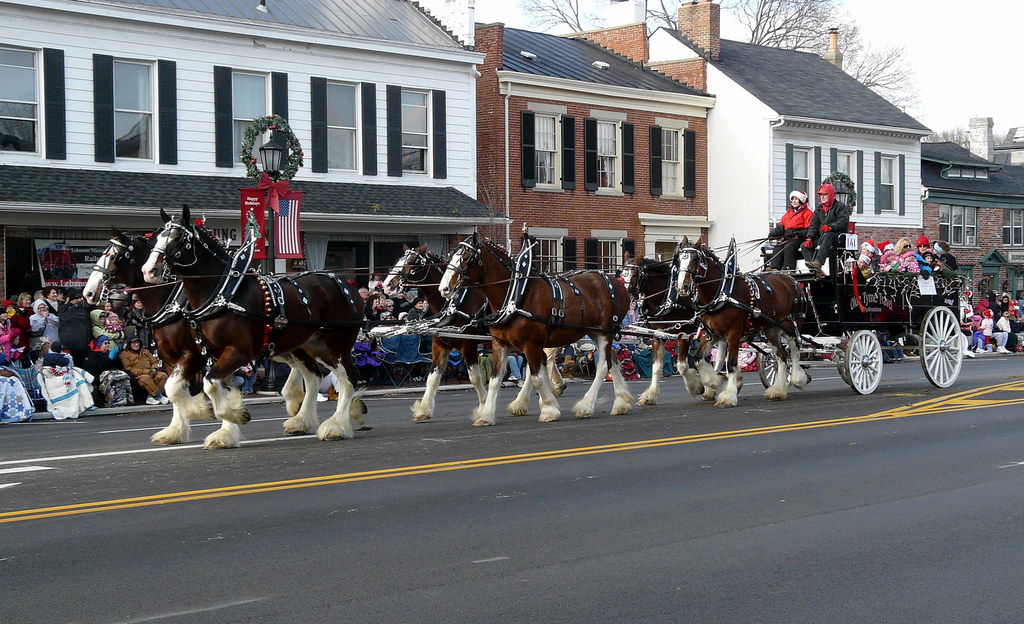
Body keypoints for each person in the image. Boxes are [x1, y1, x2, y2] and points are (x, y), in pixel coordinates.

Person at [37, 342, 96, 419]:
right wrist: (67, 358)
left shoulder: (48, 356)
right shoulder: (57, 357)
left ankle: (85, 402)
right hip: (56, 378)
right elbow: (65, 362)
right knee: (78, 381)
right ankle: (84, 403)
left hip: (51, 376)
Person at [802, 183, 850, 273]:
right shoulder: (818, 209)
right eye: (820, 195)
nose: (822, 197)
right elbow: (813, 225)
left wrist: (831, 227)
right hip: (824, 238)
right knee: (804, 246)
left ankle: (819, 262)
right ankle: (815, 270)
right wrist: (809, 238)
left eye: (825, 194)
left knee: (828, 235)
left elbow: (843, 221)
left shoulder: (840, 207)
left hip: (838, 237)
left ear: (831, 194)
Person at [767, 190, 813, 270]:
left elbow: (809, 229)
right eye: (793, 199)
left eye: (796, 199)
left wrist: (798, 233)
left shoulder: (808, 213)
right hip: (788, 237)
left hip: (798, 238)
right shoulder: (788, 213)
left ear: (801, 200)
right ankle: (774, 268)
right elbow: (781, 226)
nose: (794, 201)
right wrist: (773, 234)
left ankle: (788, 269)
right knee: (778, 247)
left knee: (789, 247)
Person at [120, 336, 169, 405]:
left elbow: (154, 361)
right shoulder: (125, 354)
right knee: (146, 378)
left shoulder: (145, 351)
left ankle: (151, 397)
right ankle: (158, 396)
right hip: (137, 376)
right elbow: (128, 368)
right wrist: (144, 372)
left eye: (137, 342)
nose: (136, 344)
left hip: (151, 373)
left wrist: (154, 369)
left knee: (163, 376)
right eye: (134, 343)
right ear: (129, 344)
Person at [58, 288, 92, 367]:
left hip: (82, 344)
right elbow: (64, 317)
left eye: (81, 298)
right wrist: (74, 306)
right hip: (69, 345)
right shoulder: (63, 308)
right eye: (77, 298)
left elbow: (88, 325)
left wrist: (88, 341)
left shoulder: (83, 309)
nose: (80, 300)